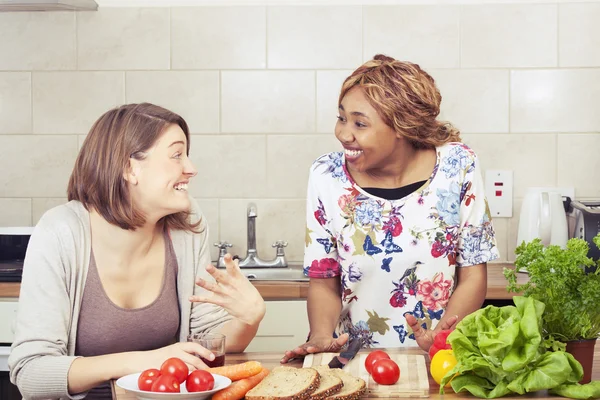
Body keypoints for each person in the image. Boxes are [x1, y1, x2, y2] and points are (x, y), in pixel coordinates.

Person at [8, 103, 266, 399]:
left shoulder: (186, 226)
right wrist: (138, 361)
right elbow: (31, 373)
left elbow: (205, 344)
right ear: (130, 168)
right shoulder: (60, 232)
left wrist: (249, 320)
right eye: (176, 155)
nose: (191, 168)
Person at [281, 55, 499, 363]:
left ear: (402, 126)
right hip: (353, 359)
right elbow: (323, 277)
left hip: (441, 358)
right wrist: (321, 335)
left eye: (360, 123)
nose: (344, 133)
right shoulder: (325, 175)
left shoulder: (459, 165)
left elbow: (473, 274)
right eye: (342, 118)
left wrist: (442, 340)